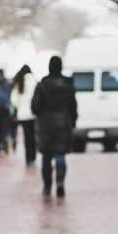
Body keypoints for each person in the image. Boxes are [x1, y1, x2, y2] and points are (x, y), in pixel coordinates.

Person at [31, 56, 77, 197]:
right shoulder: (68, 85)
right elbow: (73, 106)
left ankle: (47, 186)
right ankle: (60, 183)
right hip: (63, 123)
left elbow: (35, 107)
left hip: (46, 125)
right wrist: (73, 121)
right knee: (60, 154)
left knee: (46, 156)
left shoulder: (42, 85)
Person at [11, 64, 37, 166]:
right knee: (33, 135)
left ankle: (28, 158)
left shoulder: (19, 82)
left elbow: (14, 100)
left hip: (22, 114)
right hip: (33, 113)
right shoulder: (34, 81)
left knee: (27, 136)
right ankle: (33, 156)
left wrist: (20, 106)